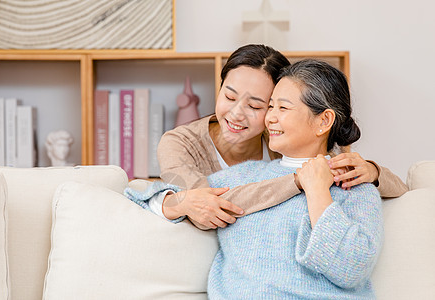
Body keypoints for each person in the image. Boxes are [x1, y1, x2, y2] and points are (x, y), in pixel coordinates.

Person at [127, 59, 383, 298]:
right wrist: (178, 202)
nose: (270, 117)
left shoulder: (354, 185)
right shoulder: (240, 176)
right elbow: (143, 199)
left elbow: (352, 269)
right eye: (270, 106)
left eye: (282, 107)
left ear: (324, 120)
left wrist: (318, 192)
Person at [153, 44, 407, 229]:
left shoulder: (282, 139)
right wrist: (297, 182)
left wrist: (372, 172)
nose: (236, 114)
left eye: (256, 106)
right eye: (229, 97)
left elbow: (398, 188)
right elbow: (210, 207)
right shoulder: (179, 143)